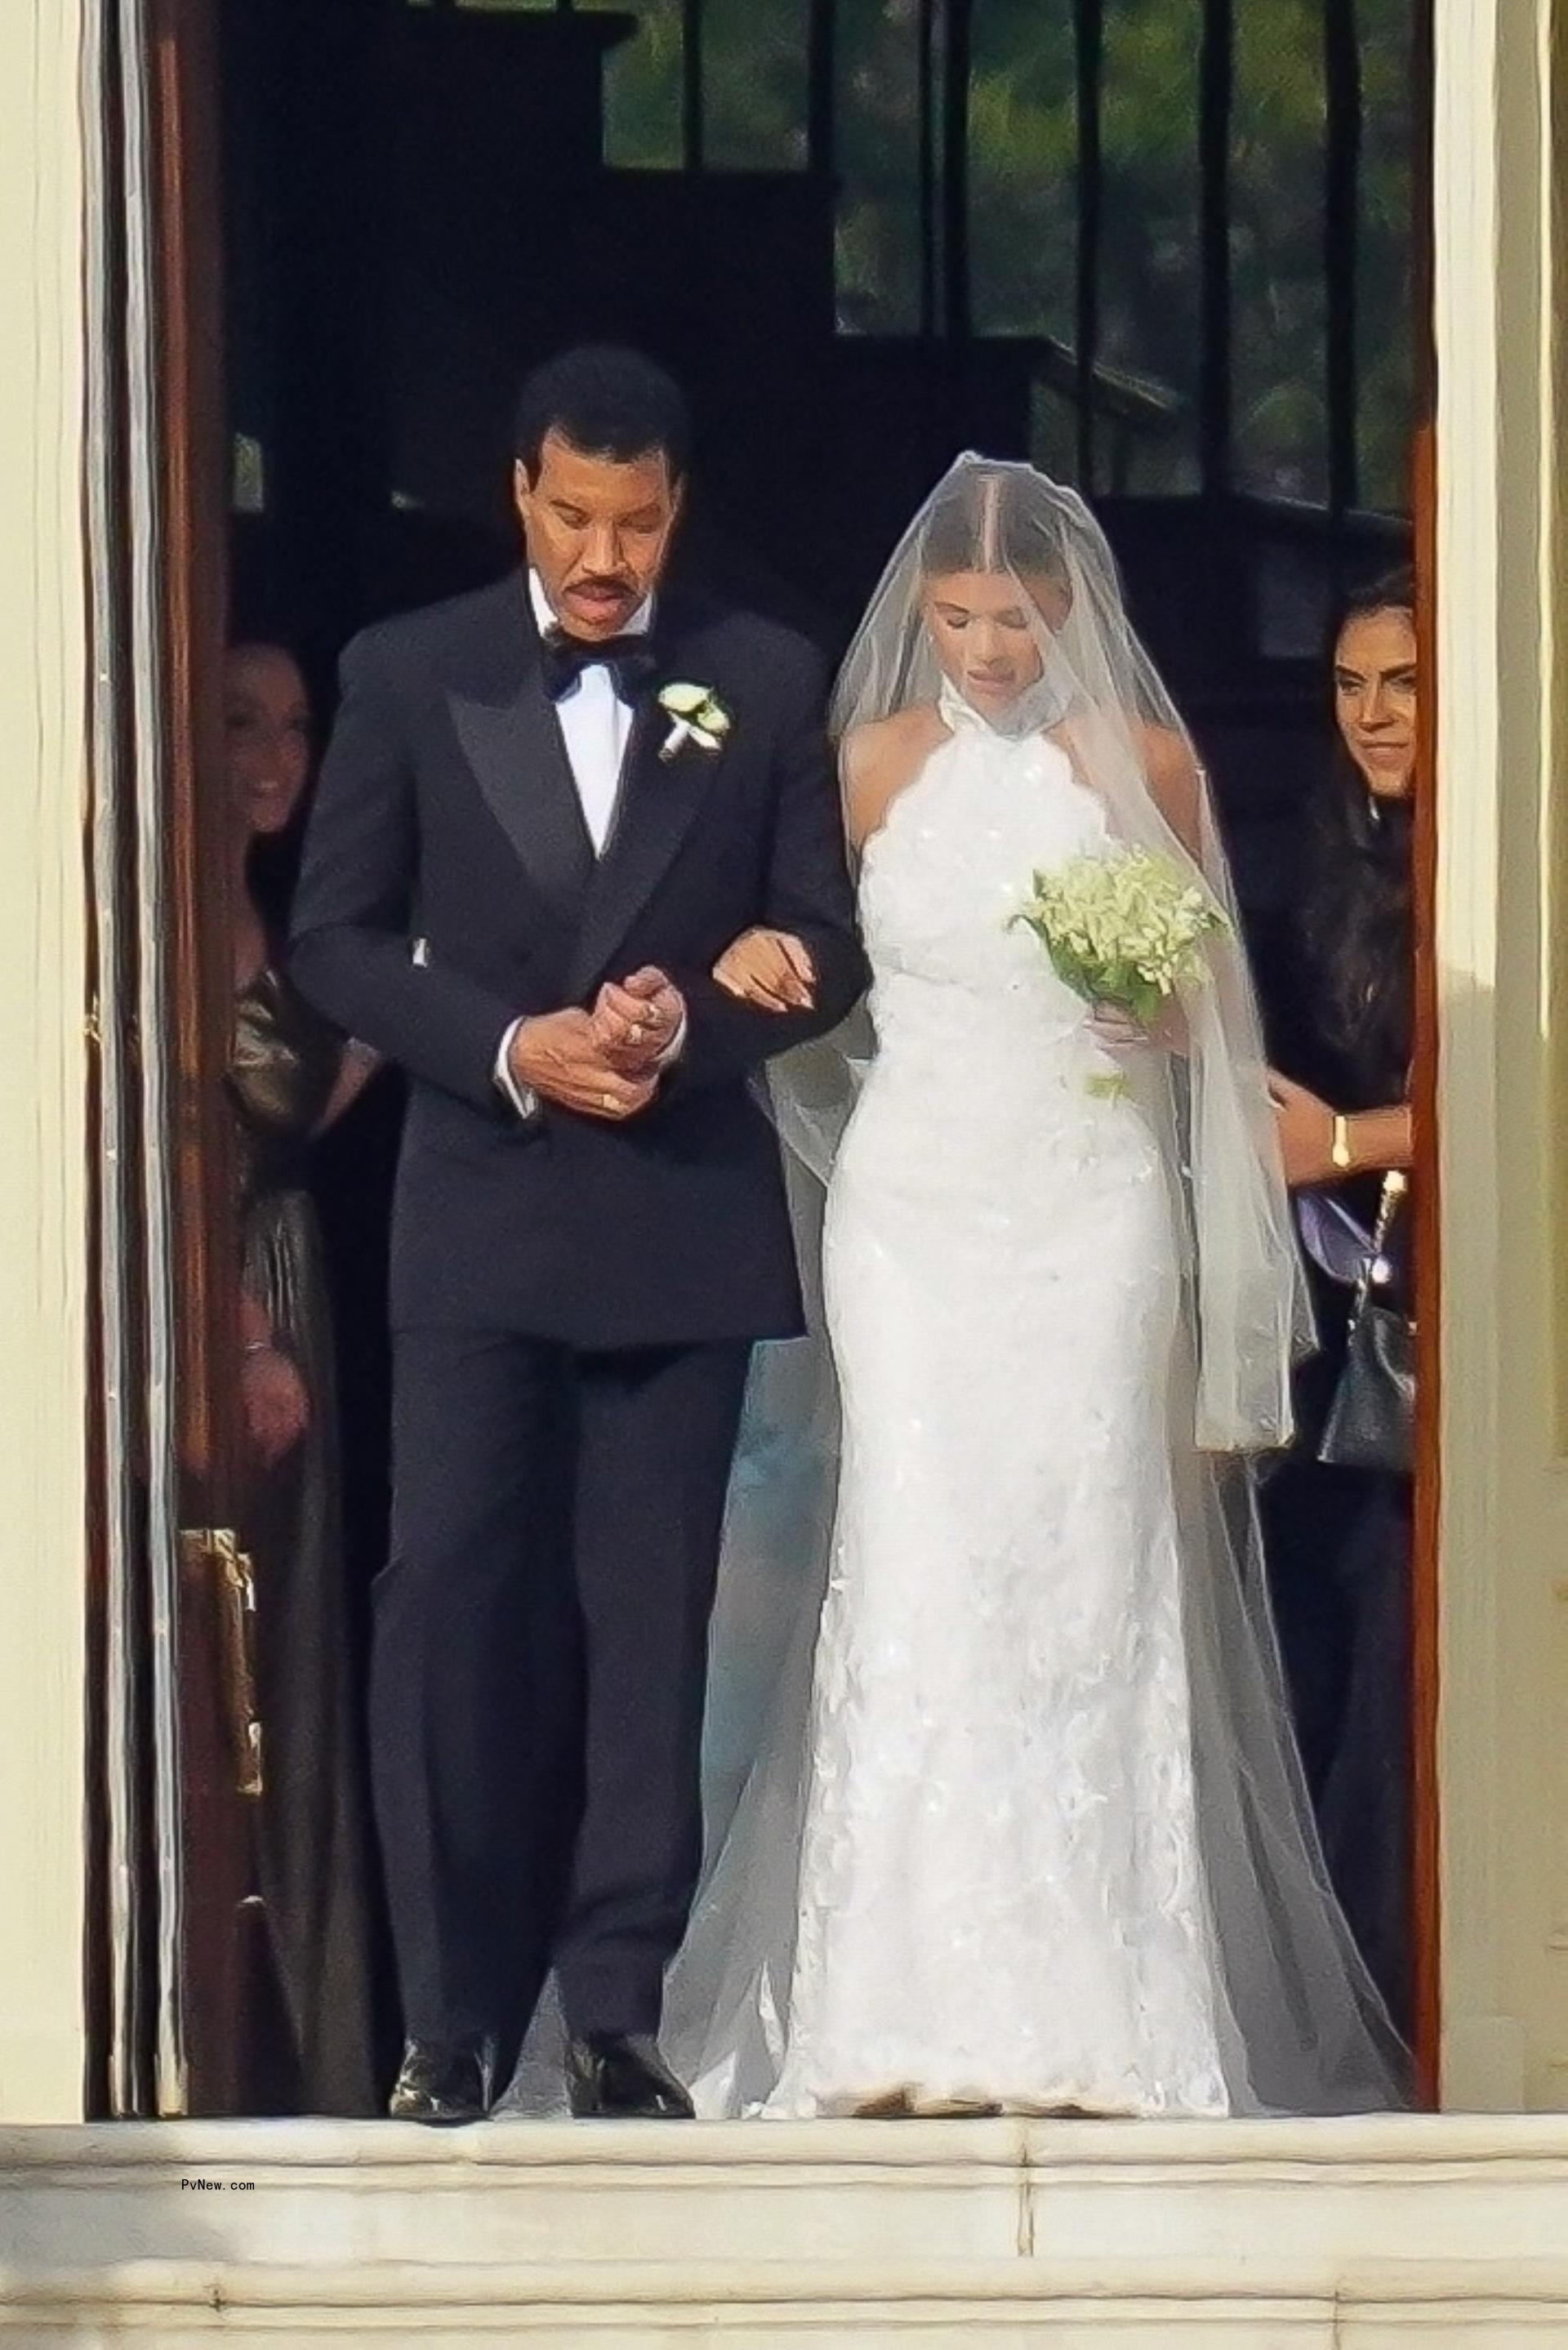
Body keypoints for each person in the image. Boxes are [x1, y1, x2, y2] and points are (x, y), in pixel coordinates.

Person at [659, 457, 1406, 2119]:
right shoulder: (864, 766)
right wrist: (751, 967)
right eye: (958, 618)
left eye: (1013, 616)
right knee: (918, 1558)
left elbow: (1218, 992)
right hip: (915, 1201)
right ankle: (893, 2003)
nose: (987, 647)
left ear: (1067, 611)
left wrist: (1164, 1013)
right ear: (919, 617)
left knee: (1082, 1564)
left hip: (1086, 1198)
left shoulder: (1135, 760)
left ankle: (1103, 2010)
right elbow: (799, 957)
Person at [287, 346, 868, 2125]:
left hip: (680, 1220)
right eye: (573, 516)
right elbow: (333, 934)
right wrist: (510, 1043)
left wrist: (705, 1013)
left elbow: (817, 940)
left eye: (635, 521)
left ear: (677, 506)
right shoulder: (409, 668)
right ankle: (446, 2020)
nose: (605, 553)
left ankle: (616, 2008)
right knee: (452, 1603)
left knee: (649, 1622)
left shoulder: (763, 679)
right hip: (478, 1217)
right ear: (519, 495)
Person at [224, 638, 381, 2113]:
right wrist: (238, 1333)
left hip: (288, 1265)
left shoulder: (262, 909)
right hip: (221, 1303)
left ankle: (309, 2054)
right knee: (234, 1663)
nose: (276, 754)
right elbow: (147, 1127)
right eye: (240, 723)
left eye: (294, 725)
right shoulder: (153, 908)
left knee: (304, 1661)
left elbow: (286, 1112)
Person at [1261, 568, 1417, 2036]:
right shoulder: (1325, 863)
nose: (1377, 717)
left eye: (1408, 686)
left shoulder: (1496, 865)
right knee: (1340, 1639)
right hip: (1340, 1319)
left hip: (1463, 1315)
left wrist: (1353, 1143)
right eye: (1355, 685)